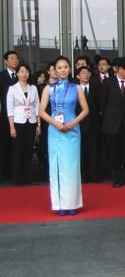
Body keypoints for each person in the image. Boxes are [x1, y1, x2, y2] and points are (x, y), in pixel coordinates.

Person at [39, 56, 89, 216]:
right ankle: (59, 203)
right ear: (54, 70)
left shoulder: (77, 88)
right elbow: (40, 111)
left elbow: (85, 110)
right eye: (59, 67)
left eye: (65, 67)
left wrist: (73, 123)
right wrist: (55, 123)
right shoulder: (48, 89)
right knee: (57, 166)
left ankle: (72, 203)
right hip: (55, 131)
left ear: (70, 69)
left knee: (71, 167)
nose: (63, 70)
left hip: (72, 130)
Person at [100, 57, 125, 187]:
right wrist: (110, 118)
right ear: (120, 69)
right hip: (112, 123)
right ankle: (117, 177)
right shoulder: (107, 82)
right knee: (114, 151)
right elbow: (102, 103)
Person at [7, 63, 40, 185]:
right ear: (17, 74)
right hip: (18, 123)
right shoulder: (12, 89)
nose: (24, 74)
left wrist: (38, 124)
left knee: (28, 151)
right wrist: (11, 127)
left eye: (26, 71)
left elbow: (37, 106)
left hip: (31, 122)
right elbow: (10, 109)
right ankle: (18, 178)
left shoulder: (33, 88)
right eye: (21, 71)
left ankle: (28, 177)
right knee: (17, 151)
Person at [1, 50, 20, 180]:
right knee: (5, 145)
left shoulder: (22, 75)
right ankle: (5, 173)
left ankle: (17, 173)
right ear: (6, 61)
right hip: (5, 117)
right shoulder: (1, 76)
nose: (15, 61)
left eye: (16, 58)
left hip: (21, 116)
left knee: (18, 145)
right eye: (12, 58)